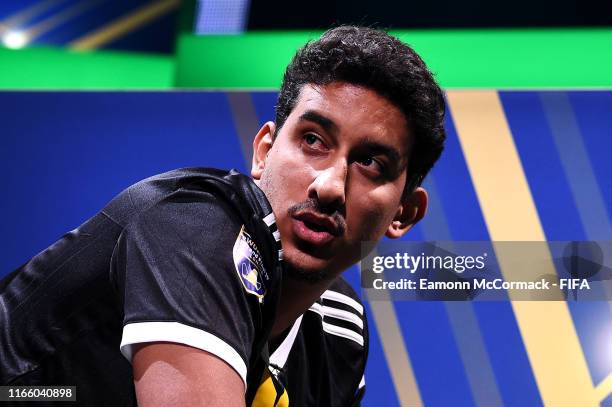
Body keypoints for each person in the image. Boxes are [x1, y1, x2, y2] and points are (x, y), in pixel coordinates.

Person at [0, 25, 445, 406]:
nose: (328, 186)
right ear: (264, 151)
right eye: (312, 140)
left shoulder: (338, 329)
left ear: (403, 212)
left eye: (371, 164)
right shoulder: (193, 229)